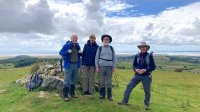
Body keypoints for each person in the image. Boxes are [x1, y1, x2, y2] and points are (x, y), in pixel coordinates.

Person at [118, 42, 156, 110]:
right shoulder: (137, 56)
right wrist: (136, 70)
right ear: (140, 48)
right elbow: (134, 66)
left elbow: (153, 67)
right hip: (137, 75)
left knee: (147, 91)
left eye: (144, 47)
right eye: (141, 47)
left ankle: (146, 104)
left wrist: (145, 70)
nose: (143, 48)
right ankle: (124, 101)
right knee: (129, 86)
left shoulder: (150, 56)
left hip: (146, 76)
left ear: (147, 48)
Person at [59, 35, 82, 102]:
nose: (75, 39)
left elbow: (79, 55)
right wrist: (67, 52)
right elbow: (60, 52)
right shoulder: (66, 45)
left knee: (74, 80)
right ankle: (65, 95)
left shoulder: (77, 45)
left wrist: (80, 53)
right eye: (74, 38)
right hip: (69, 65)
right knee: (67, 80)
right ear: (71, 38)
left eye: (76, 38)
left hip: (76, 65)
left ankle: (72, 93)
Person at [95, 34, 116, 101]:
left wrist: (114, 66)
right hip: (101, 66)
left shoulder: (112, 48)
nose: (106, 40)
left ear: (109, 41)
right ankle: (102, 95)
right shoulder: (100, 48)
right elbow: (96, 58)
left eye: (107, 39)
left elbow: (114, 58)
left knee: (109, 81)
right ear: (103, 40)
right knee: (102, 81)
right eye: (105, 39)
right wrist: (97, 67)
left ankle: (109, 96)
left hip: (110, 66)